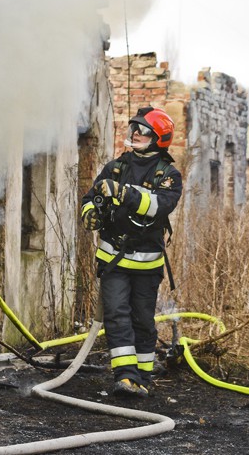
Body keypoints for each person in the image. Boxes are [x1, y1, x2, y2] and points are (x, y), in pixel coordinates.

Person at [80, 106, 183, 398]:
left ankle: (143, 375)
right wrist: (91, 212)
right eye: (134, 129)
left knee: (142, 319)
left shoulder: (168, 175)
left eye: (143, 131)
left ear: (158, 138)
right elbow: (91, 197)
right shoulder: (116, 167)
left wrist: (126, 194)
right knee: (116, 314)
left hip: (147, 262)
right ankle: (125, 376)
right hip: (113, 258)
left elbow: (159, 205)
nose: (135, 134)